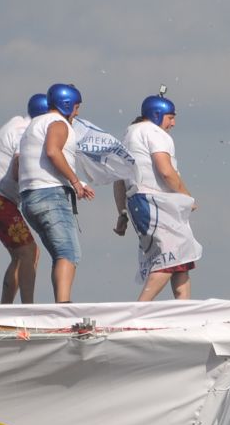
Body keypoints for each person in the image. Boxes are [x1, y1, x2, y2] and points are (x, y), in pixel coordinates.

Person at [113, 93, 200, 301]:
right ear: (157, 114)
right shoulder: (154, 133)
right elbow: (166, 171)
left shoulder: (128, 135)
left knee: (181, 259)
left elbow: (118, 180)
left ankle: (184, 312)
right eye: (170, 117)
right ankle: (138, 310)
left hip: (138, 202)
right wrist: (187, 197)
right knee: (169, 259)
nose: (173, 123)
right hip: (154, 201)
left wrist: (122, 213)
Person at [16, 82, 95, 303]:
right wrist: (75, 182)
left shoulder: (32, 126)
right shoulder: (58, 123)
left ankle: (60, 304)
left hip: (29, 198)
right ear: (67, 104)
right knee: (69, 253)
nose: (77, 113)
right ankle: (63, 308)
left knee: (60, 255)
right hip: (51, 195)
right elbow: (52, 151)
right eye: (76, 107)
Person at [0, 93, 47, 303]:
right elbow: (17, 166)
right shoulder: (26, 132)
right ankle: (28, 310)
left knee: (20, 254)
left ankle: (6, 308)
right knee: (30, 252)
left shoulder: (17, 123)